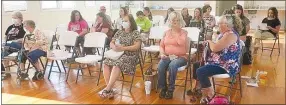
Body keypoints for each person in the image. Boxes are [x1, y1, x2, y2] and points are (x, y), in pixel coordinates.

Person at [196, 14, 242, 104]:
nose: (218, 24)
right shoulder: (224, 34)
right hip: (219, 61)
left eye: (220, 23)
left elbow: (215, 48)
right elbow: (218, 46)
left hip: (227, 65)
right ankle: (201, 90)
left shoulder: (231, 35)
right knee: (196, 66)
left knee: (201, 71)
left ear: (228, 25)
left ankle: (209, 95)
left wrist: (209, 41)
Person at [100, 14, 141, 99]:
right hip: (117, 53)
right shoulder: (119, 32)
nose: (124, 23)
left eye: (126, 21)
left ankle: (107, 89)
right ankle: (110, 89)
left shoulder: (135, 33)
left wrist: (123, 48)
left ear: (131, 22)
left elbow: (137, 46)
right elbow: (112, 42)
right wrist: (113, 46)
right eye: (123, 21)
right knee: (105, 63)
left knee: (117, 64)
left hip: (130, 55)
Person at [158, 11, 188, 99]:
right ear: (170, 21)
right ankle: (163, 88)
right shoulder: (166, 32)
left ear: (180, 21)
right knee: (160, 65)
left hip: (181, 57)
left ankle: (170, 89)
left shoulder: (184, 32)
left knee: (173, 64)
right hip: (168, 56)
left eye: (177, 20)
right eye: (173, 20)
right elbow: (161, 45)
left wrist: (176, 31)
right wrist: (162, 53)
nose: (175, 22)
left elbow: (180, 42)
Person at [2, 11, 26, 79]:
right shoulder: (10, 27)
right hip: (8, 46)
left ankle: (22, 72)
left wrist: (16, 40)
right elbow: (5, 36)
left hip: (19, 45)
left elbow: (26, 37)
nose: (13, 19)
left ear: (20, 18)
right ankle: (7, 72)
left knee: (7, 46)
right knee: (3, 53)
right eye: (12, 17)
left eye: (14, 17)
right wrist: (4, 41)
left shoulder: (24, 27)